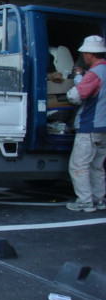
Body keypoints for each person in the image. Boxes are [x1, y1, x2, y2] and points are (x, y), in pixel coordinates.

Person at [65, 35, 106, 212]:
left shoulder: (94, 73)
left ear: (89, 54)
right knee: (97, 166)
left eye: (84, 53)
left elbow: (76, 96)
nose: (83, 56)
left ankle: (85, 202)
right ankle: (99, 200)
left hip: (90, 125)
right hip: (104, 128)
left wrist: (77, 78)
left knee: (78, 166)